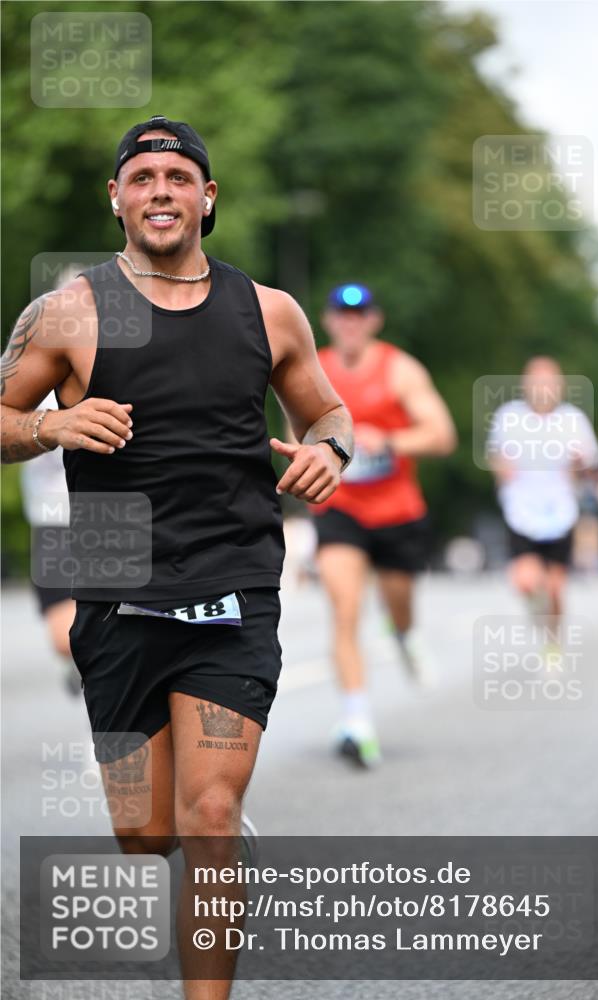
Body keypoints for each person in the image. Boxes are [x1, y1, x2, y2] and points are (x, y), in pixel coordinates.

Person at [0, 115, 353, 999]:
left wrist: (328, 452)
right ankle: (211, 839)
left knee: (206, 813)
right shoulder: (69, 312)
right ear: (115, 198)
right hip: (116, 596)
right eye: (143, 175)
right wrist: (51, 423)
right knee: (144, 834)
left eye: (178, 175)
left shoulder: (268, 311)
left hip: (232, 592)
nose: (161, 189)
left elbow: (329, 413)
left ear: (207, 197)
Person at [312, 283, 457, 768]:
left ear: (375, 320)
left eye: (360, 315)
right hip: (341, 508)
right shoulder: (317, 369)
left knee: (398, 610)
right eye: (341, 315)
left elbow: (442, 435)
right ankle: (357, 721)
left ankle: (404, 635)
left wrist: (387, 441)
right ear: (329, 321)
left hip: (397, 513)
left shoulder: (400, 369)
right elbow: (300, 427)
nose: (350, 323)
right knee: (345, 607)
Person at [486, 356, 598, 624]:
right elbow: (496, 456)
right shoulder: (509, 416)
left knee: (554, 587)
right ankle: (537, 609)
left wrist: (580, 464)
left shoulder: (573, 419)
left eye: (549, 382)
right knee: (526, 581)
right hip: (521, 511)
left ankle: (552, 641)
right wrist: (502, 471)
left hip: (560, 512)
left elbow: (591, 467)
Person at [19, 390, 79, 694]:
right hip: (54, 522)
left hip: (115, 515)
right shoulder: (33, 375)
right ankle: (86, 666)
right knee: (64, 638)